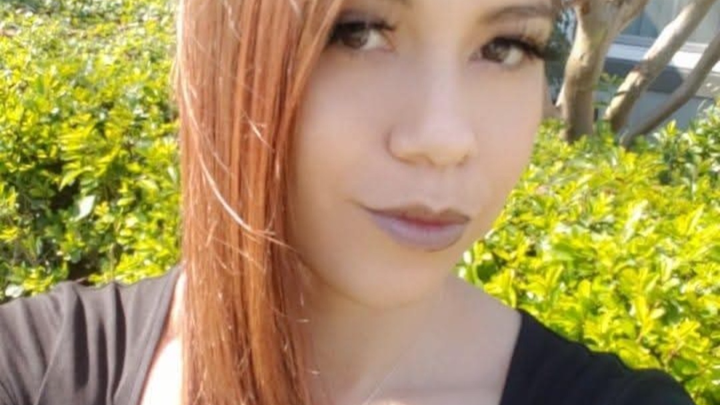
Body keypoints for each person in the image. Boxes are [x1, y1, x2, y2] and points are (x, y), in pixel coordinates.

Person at [0, 0, 698, 404]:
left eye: (505, 46)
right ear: (218, 49)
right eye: (357, 32)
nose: (445, 138)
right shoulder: (34, 369)